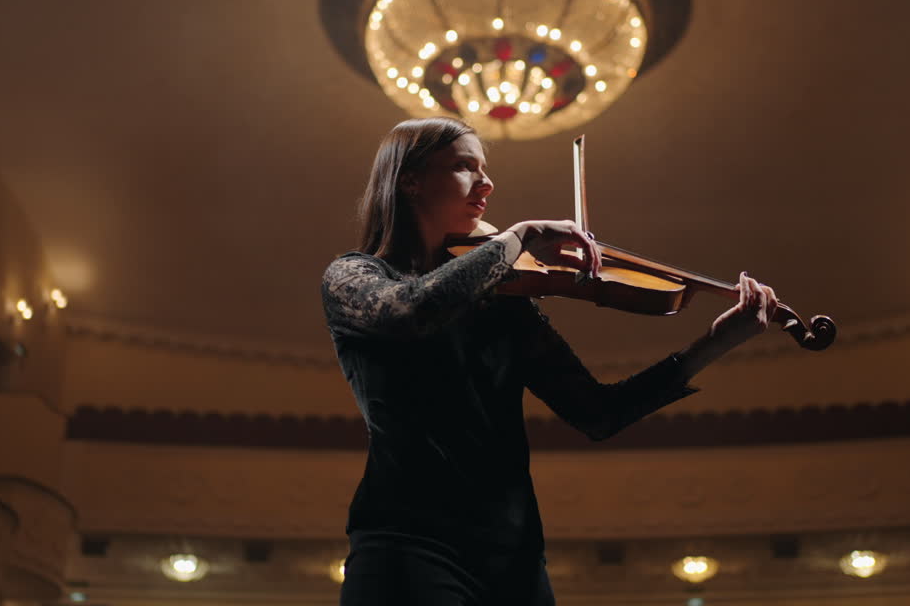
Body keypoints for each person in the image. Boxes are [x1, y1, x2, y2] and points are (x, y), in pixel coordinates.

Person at [321, 117, 780, 606]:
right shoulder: (354, 276)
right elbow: (411, 311)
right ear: (408, 179)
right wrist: (516, 237)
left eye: (485, 168)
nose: (486, 182)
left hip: (515, 556)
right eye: (464, 167)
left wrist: (715, 342)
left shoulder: (502, 299)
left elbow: (598, 414)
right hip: (406, 547)